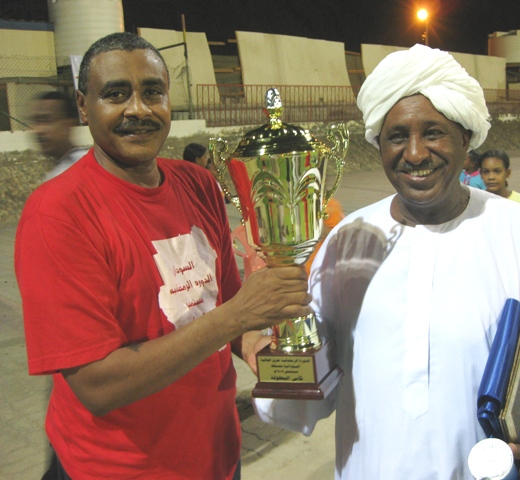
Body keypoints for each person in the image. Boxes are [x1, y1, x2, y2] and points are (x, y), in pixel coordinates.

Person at [255, 45, 520, 480]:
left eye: (433, 132)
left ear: (465, 139)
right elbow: (313, 378)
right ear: (378, 144)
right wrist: (276, 346)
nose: (415, 154)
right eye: (397, 136)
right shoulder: (348, 241)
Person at [14, 32, 312, 480]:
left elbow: (226, 303)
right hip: (116, 470)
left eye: (152, 91)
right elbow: (97, 385)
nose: (138, 109)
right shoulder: (58, 213)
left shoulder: (197, 184)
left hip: (217, 455)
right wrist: (237, 317)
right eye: (116, 94)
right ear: (83, 106)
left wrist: (256, 342)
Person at [30, 91, 88, 180]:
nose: (38, 130)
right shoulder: (55, 175)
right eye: (36, 121)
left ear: (68, 126)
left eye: (46, 121)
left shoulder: (88, 166)